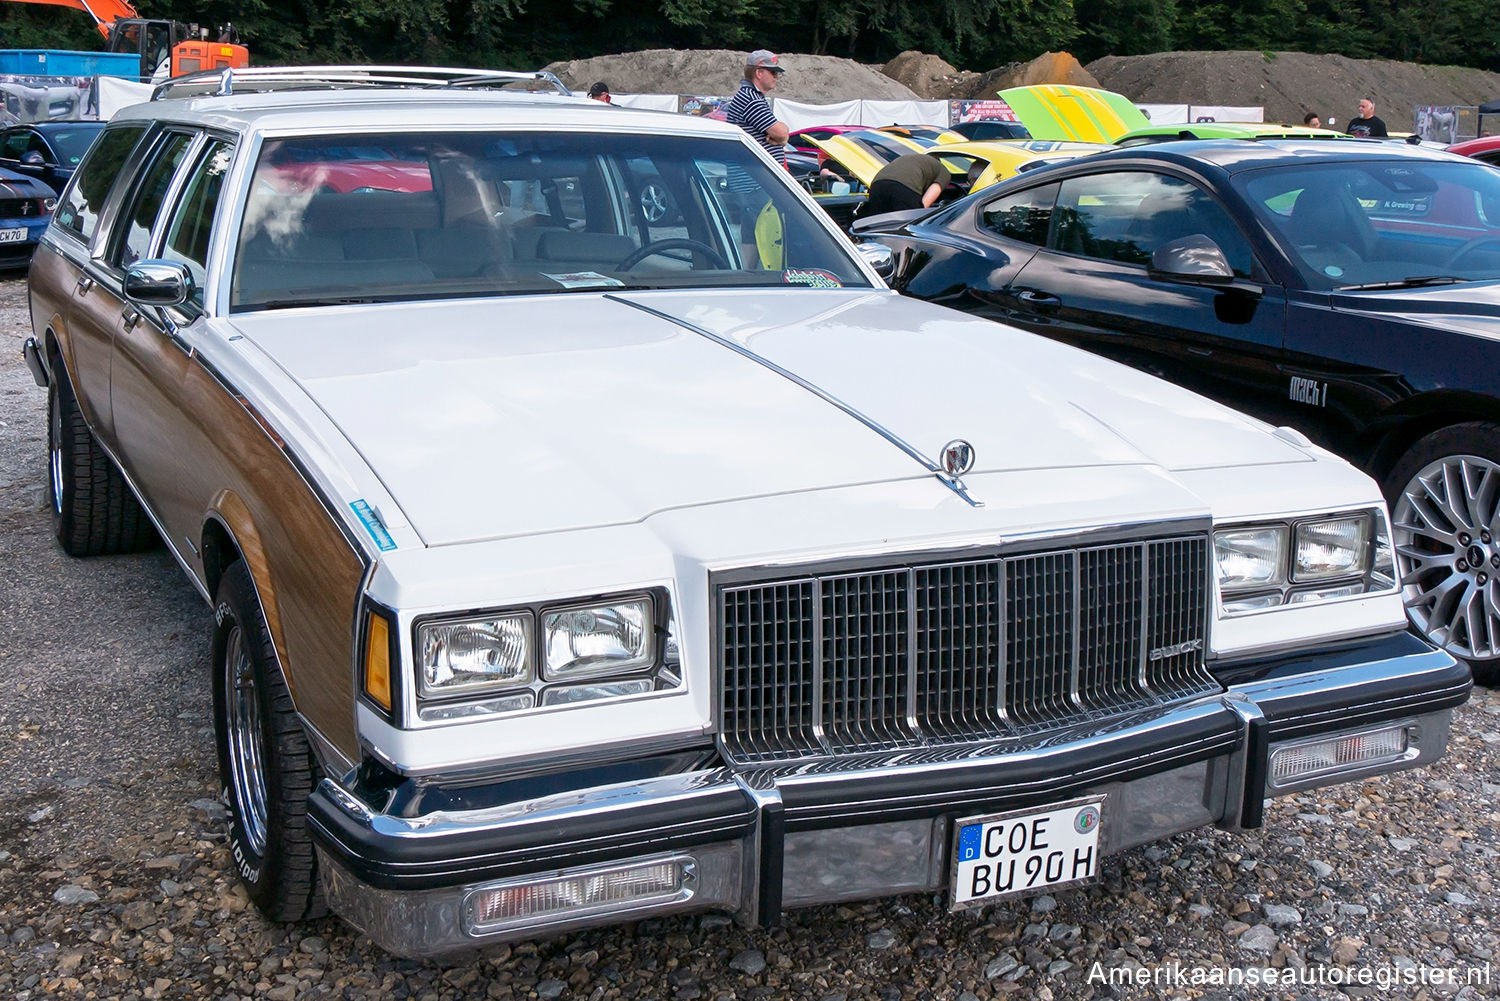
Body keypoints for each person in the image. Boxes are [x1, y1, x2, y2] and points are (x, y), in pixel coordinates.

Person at [724, 49, 790, 265]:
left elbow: (778, 134)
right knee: (768, 232)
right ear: (759, 72)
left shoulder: (749, 97)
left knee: (751, 234)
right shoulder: (751, 99)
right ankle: (766, 277)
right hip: (755, 181)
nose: (776, 76)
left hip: (749, 180)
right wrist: (780, 138)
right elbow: (780, 133)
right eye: (773, 72)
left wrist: (778, 137)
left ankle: (747, 273)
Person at [861, 152, 947, 217]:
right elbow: (925, 204)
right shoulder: (944, 172)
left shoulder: (915, 159)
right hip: (904, 188)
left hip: (877, 185)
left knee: (878, 224)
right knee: (909, 224)